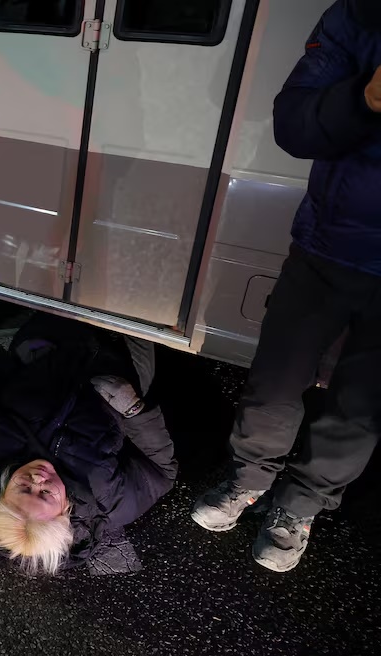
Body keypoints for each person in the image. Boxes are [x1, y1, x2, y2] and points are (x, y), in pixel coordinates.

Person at [192, 0, 381, 573]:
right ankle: (249, 479)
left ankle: (300, 508)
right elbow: (292, 125)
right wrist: (366, 98)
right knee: (274, 383)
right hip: (327, 244)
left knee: (361, 409)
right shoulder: (360, 15)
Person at [0, 314, 177, 575]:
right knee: (148, 306)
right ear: (64, 513)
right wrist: (134, 410)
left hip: (53, 340)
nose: (37, 480)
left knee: (74, 291)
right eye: (45, 494)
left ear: (2, 494)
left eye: (23, 488)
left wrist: (15, 360)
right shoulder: (113, 504)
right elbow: (162, 473)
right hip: (124, 365)